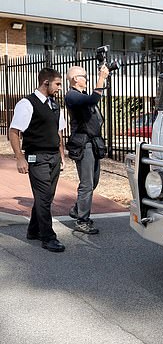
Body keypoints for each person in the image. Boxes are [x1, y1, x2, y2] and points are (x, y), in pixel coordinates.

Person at [8, 67, 67, 252]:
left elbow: (58, 131)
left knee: (47, 197)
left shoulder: (55, 105)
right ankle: (48, 237)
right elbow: (14, 132)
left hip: (54, 157)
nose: (59, 88)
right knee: (42, 197)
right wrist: (19, 158)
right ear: (46, 82)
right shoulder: (27, 103)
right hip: (37, 157)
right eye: (57, 84)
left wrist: (62, 155)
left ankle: (33, 230)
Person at [64, 64, 109, 234]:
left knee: (93, 181)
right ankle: (82, 221)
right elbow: (93, 100)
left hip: (93, 143)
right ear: (76, 79)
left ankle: (77, 209)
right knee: (87, 184)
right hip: (84, 144)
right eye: (85, 76)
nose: (87, 78)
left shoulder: (81, 95)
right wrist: (101, 78)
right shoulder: (72, 96)